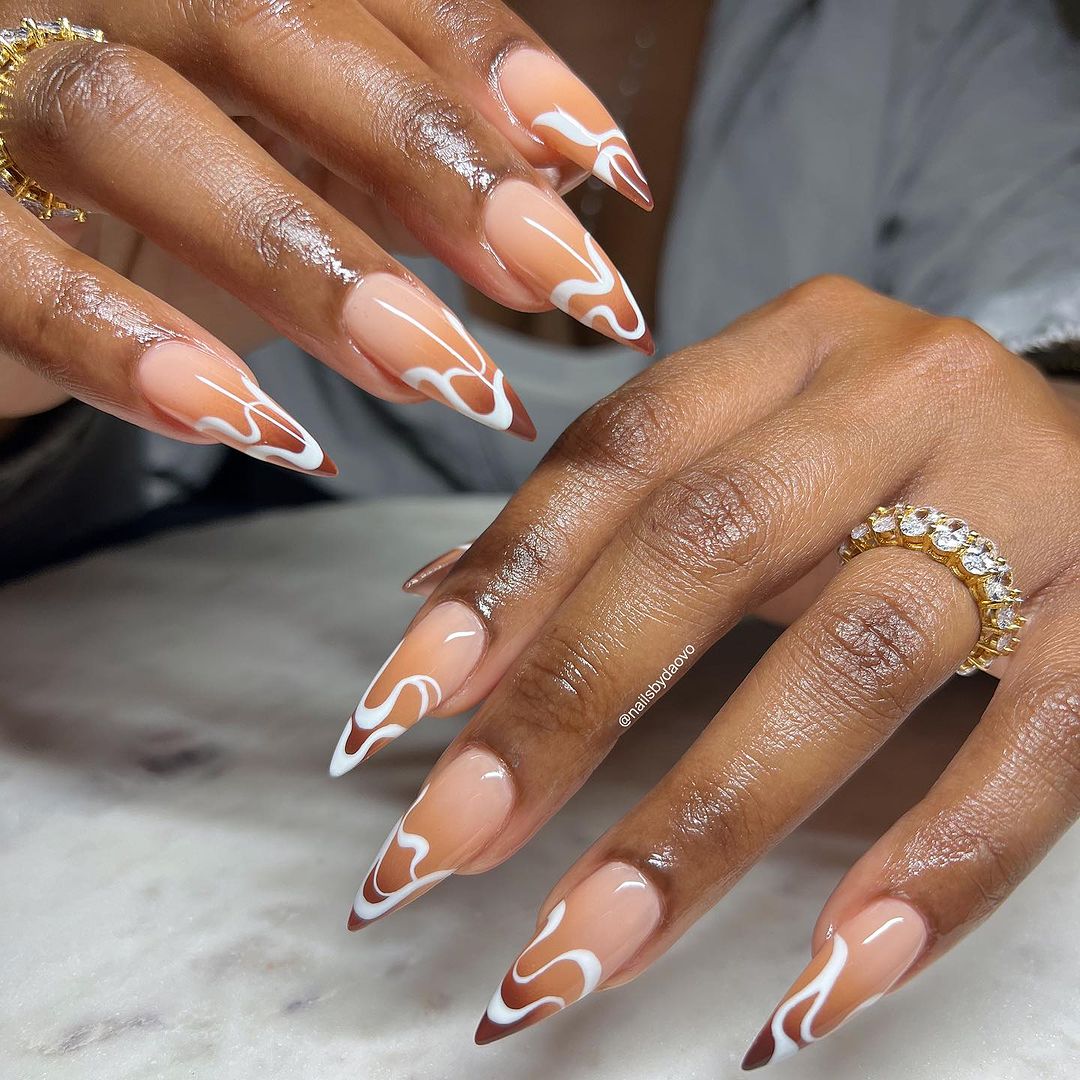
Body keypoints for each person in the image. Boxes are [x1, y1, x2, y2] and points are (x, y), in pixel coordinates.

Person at [1, 0, 1079, 1067]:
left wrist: (1047, 429)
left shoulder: (921, 39)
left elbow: (1051, 300)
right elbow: (99, 504)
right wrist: (27, 395)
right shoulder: (128, 33)